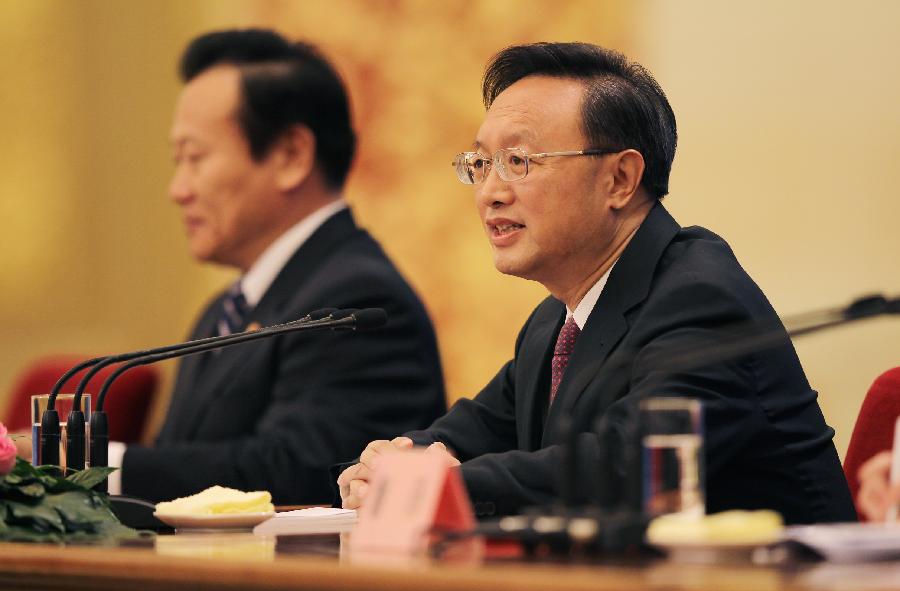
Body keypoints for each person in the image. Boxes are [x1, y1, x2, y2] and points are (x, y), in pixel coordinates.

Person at [337, 42, 856, 524]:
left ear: (621, 180)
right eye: (481, 164)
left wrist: (432, 485)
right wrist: (396, 461)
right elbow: (469, 432)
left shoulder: (700, 295)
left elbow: (630, 465)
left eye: (518, 162)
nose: (490, 192)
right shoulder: (556, 320)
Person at [112, 29, 446, 504]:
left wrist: (100, 467)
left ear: (291, 156)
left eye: (195, 157)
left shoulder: (359, 298)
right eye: (177, 161)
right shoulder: (223, 310)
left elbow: (300, 471)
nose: (178, 189)